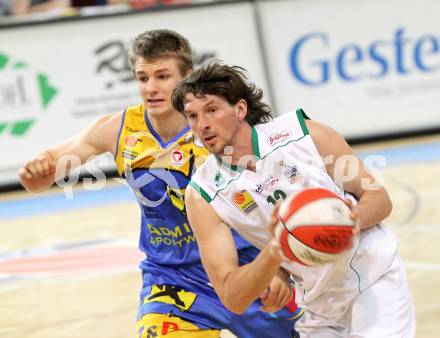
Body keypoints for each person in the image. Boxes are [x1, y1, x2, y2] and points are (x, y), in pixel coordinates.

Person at [19, 30, 302, 337]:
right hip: (173, 281)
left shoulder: (221, 128)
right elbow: (46, 172)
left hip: (244, 269)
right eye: (143, 78)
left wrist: (280, 267)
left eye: (162, 76)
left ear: (187, 77)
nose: (151, 88)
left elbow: (277, 198)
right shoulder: (118, 129)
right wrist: (38, 169)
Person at [172, 61, 416, 337]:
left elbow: (379, 198)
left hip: (373, 276)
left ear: (240, 109)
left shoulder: (305, 133)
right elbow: (232, 297)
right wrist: (276, 254)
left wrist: (346, 220)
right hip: (318, 304)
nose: (202, 125)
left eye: (212, 110)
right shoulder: (202, 194)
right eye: (192, 117)